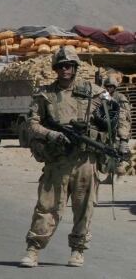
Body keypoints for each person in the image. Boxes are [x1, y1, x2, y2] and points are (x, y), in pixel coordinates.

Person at [19, 46, 121, 268]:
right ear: (56, 68)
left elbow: (113, 116)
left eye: (69, 66)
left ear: (75, 68)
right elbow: (31, 124)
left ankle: (78, 250)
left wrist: (103, 126)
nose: (65, 69)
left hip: (85, 161)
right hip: (58, 160)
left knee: (84, 208)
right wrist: (52, 134)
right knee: (46, 207)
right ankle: (33, 249)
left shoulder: (94, 92)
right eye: (61, 66)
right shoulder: (45, 94)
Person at [102, 76, 132, 176]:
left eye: (111, 86)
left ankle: (123, 146)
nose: (109, 88)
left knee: (122, 117)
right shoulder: (102, 96)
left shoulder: (120, 96)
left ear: (115, 87)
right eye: (107, 86)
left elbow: (125, 113)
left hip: (118, 123)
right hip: (106, 122)